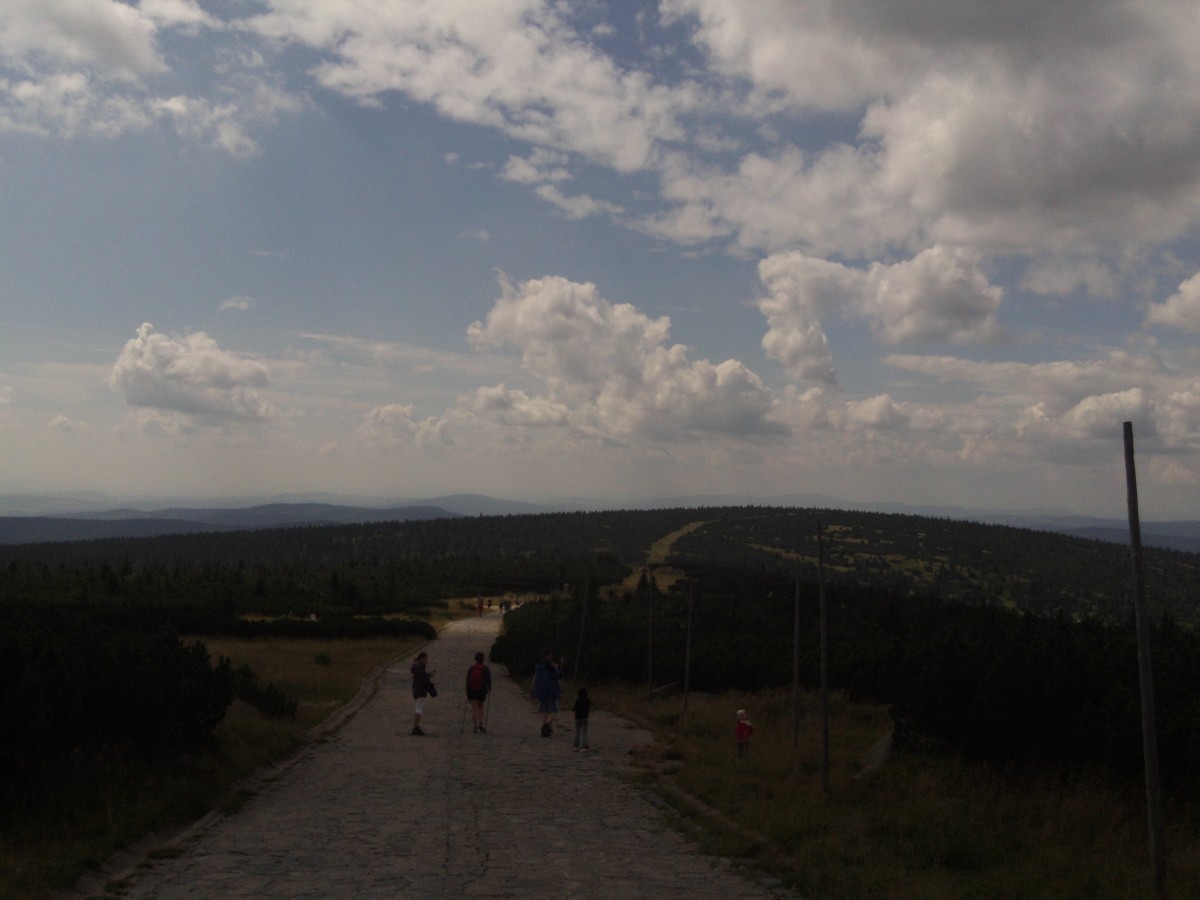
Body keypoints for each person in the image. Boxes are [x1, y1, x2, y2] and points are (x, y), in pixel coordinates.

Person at [532, 650, 565, 737]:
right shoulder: (550, 666)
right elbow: (557, 675)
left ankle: (545, 727)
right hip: (551, 690)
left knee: (543, 710)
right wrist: (560, 668)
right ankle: (546, 726)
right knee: (553, 710)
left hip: (540, 690)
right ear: (549, 655)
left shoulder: (539, 665)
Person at [465, 651, 492, 733]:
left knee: (474, 709)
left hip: (472, 690)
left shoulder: (472, 668)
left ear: (475, 659)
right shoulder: (485, 668)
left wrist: (467, 689)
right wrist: (489, 688)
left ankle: (474, 727)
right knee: (481, 707)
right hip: (482, 690)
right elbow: (488, 680)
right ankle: (481, 723)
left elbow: (468, 679)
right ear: (483, 659)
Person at [410, 651, 435, 736]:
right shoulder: (419, 669)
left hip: (418, 690)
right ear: (421, 659)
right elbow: (423, 681)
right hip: (420, 691)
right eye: (425, 659)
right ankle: (415, 727)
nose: (426, 661)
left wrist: (428, 675)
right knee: (419, 710)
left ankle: (416, 726)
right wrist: (429, 677)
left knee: (419, 709)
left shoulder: (418, 668)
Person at [571, 686, 591, 752]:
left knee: (577, 732)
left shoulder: (578, 700)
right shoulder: (588, 701)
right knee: (584, 732)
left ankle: (576, 745)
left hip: (577, 717)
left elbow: (573, 709)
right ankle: (584, 745)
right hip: (585, 718)